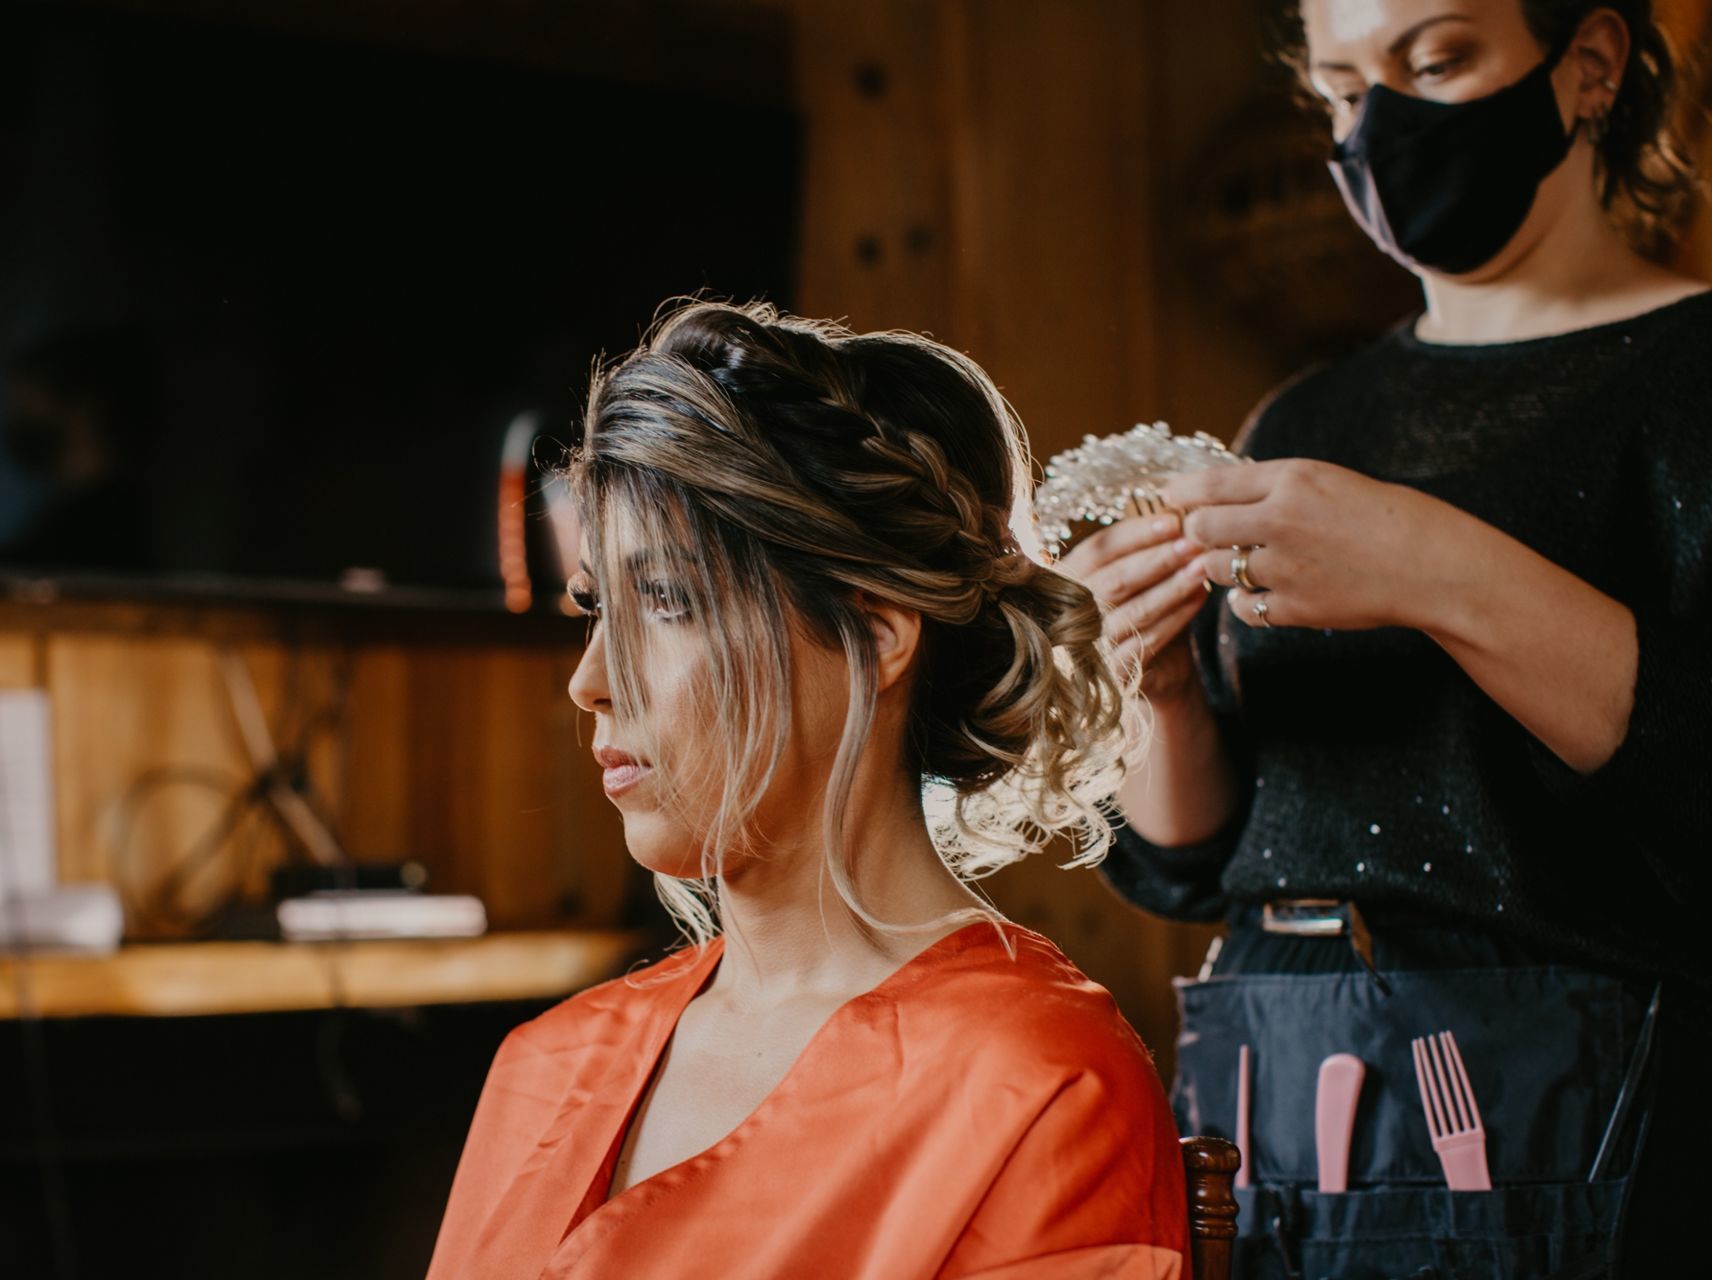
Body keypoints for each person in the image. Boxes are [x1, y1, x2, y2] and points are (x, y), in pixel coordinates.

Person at [1067, 0, 1707, 1273]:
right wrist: (1153, 689)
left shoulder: (1689, 378)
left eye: (1439, 61)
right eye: (1346, 89)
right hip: (1273, 1082)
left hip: (1575, 1098)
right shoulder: (1305, 415)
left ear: (1589, 65)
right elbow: (1203, 857)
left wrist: (1436, 566)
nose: (1384, 128)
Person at [426, 301, 1190, 1279]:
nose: (590, 680)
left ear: (876, 631)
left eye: (665, 599)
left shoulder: (1037, 1084)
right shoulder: (542, 1066)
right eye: (597, 607)